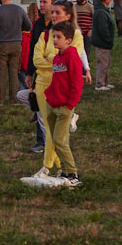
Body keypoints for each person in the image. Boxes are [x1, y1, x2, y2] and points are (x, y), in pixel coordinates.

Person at [26, 21, 84, 188]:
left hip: (65, 107)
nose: (55, 40)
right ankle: (64, 171)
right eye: (54, 37)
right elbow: (56, 81)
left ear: (68, 40)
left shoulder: (72, 56)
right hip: (53, 104)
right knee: (54, 137)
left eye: (59, 37)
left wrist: (70, 105)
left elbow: (76, 84)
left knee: (59, 140)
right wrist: (50, 96)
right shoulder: (58, 57)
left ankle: (73, 173)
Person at [0, 0, 30, 105]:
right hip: (16, 44)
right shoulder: (19, 10)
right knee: (14, 73)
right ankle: (14, 99)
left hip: (2, 45)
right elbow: (28, 25)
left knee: (0, 73)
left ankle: (0, 99)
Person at [89, 0, 115, 90]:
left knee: (106, 62)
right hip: (102, 41)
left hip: (104, 41)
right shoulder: (101, 12)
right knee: (103, 63)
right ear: (105, 0)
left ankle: (105, 82)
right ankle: (100, 84)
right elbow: (102, 29)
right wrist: (108, 39)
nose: (110, 0)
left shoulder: (102, 10)